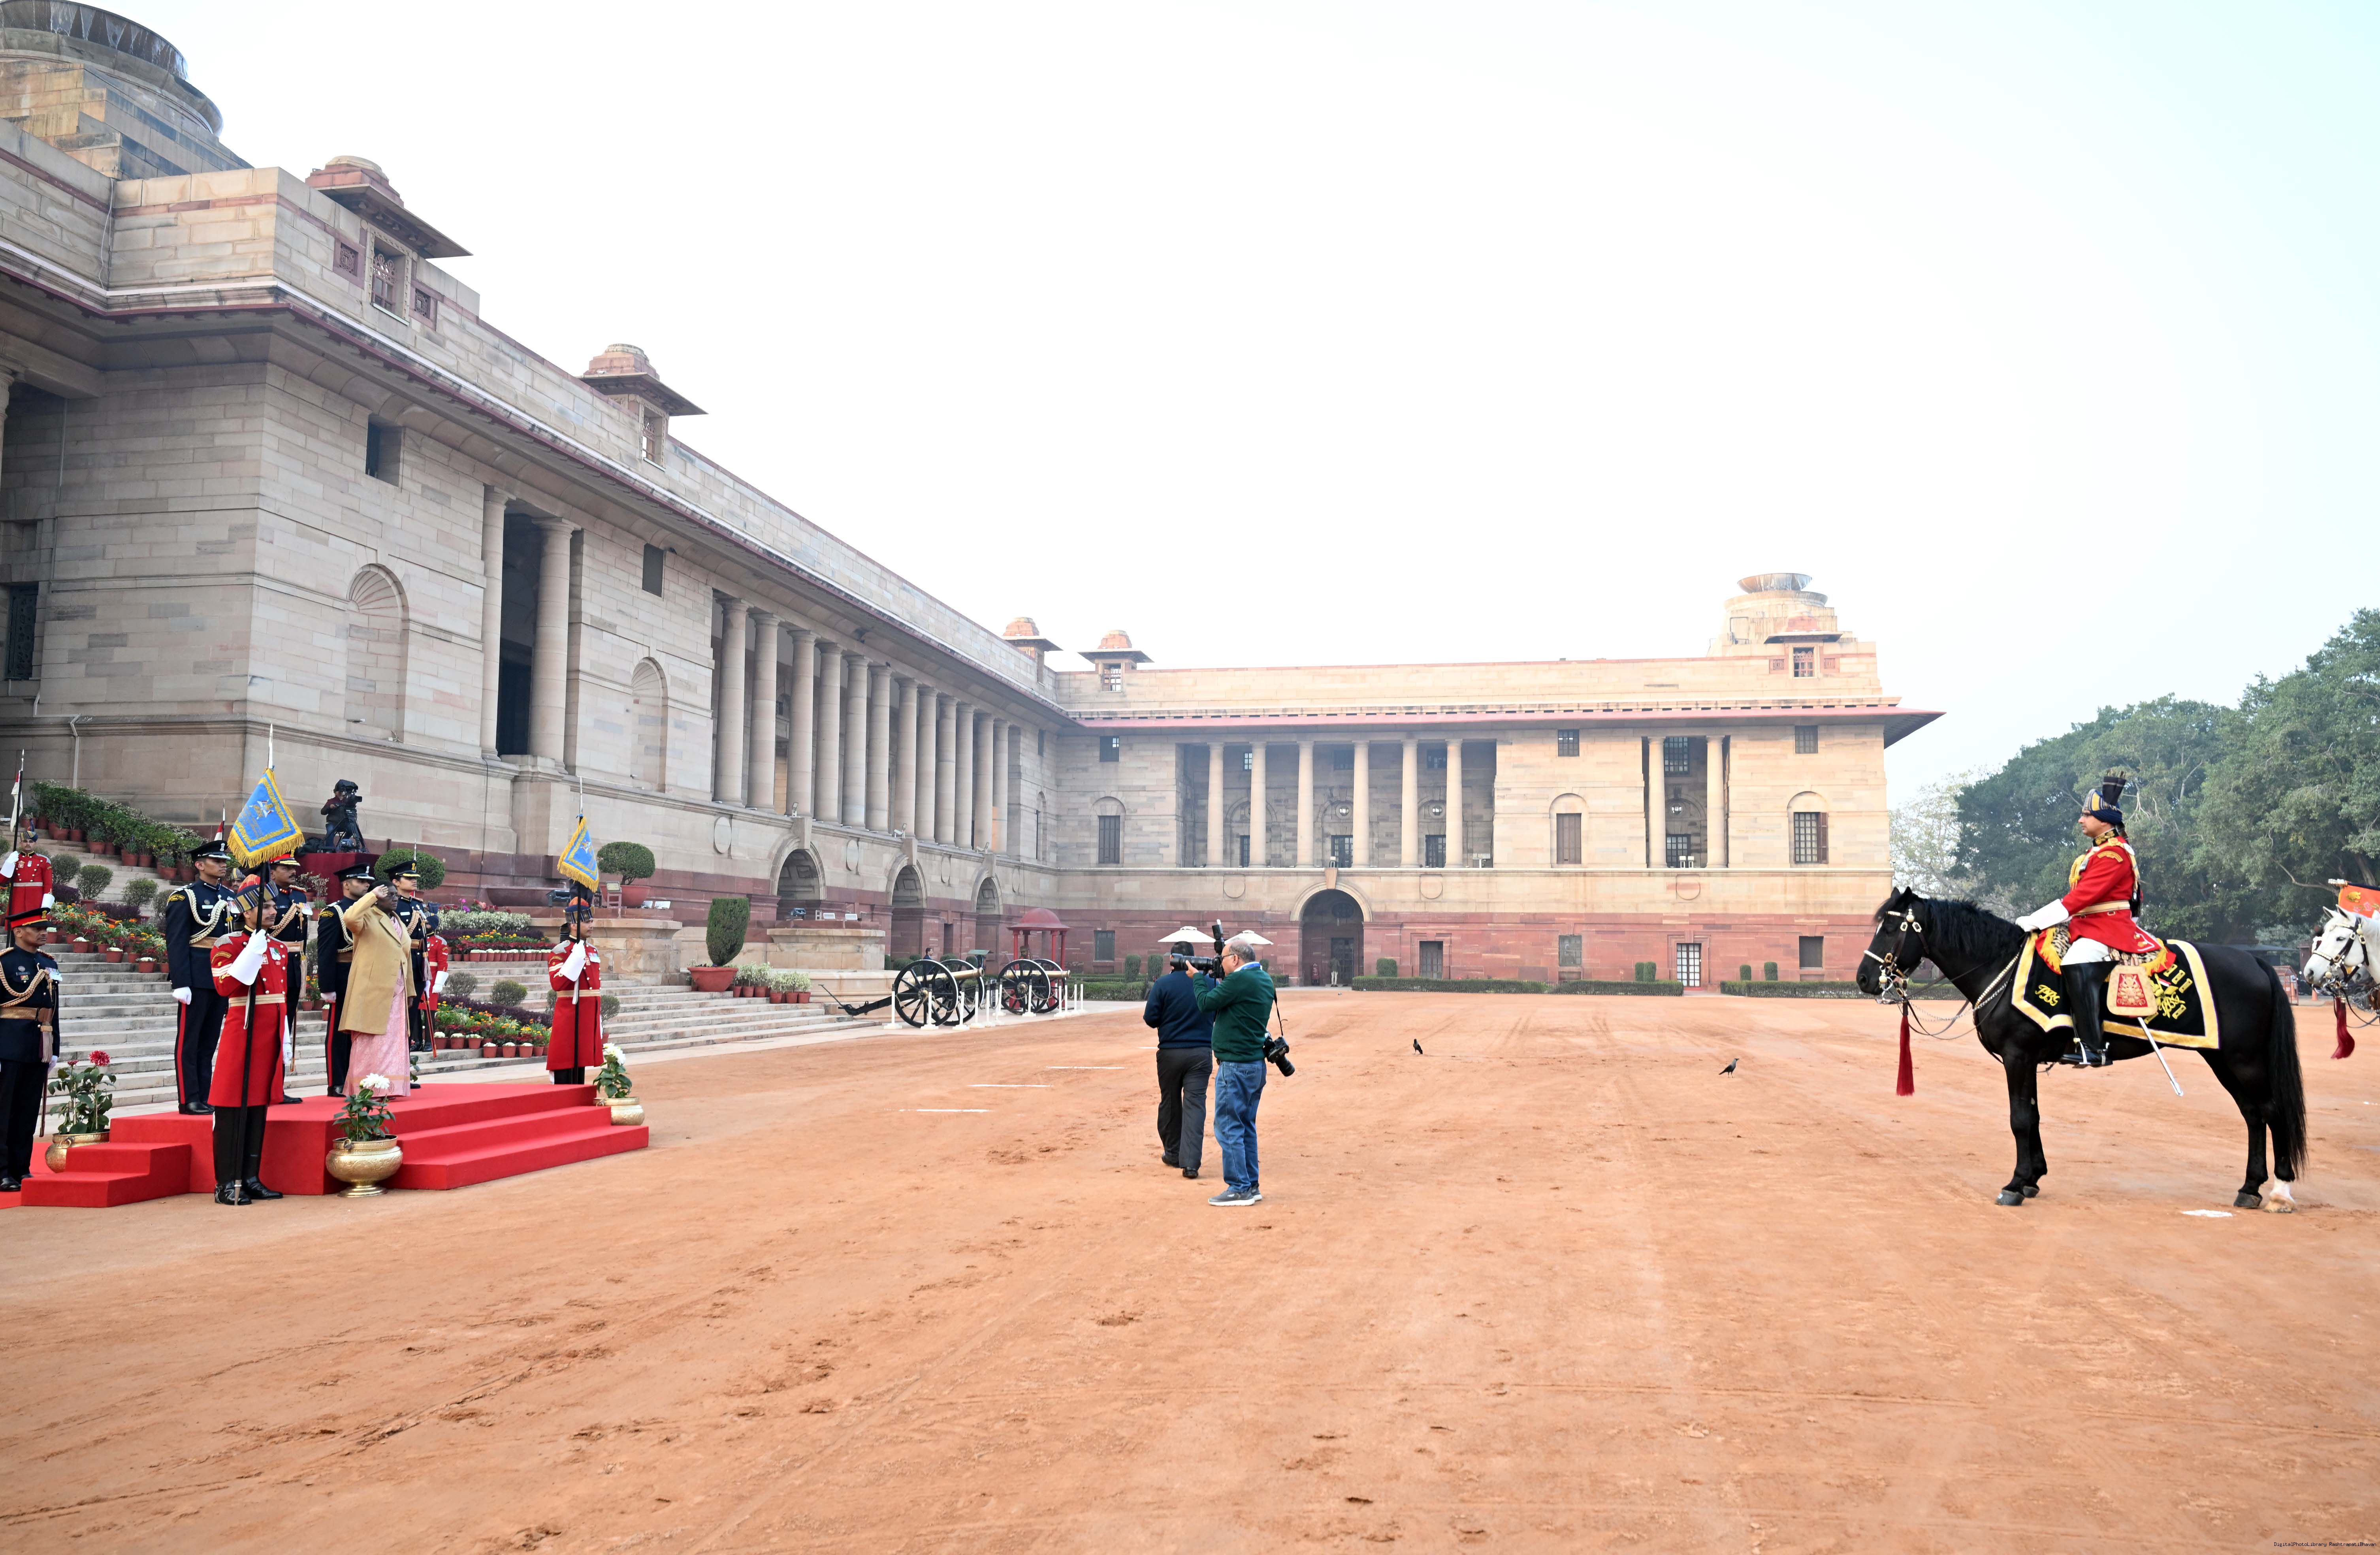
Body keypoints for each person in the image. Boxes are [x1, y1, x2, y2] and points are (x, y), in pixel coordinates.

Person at [2016, 772, 2156, 1068]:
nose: (2081, 820)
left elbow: (2079, 899)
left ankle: (2094, 1048)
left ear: (2104, 820)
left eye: (2086, 815)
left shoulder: (2114, 854)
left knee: (2074, 962)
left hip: (2107, 930)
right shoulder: (2098, 852)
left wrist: (2036, 919)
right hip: (2087, 927)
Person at [208, 875, 289, 1205]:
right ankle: (226, 1183)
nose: (273, 911)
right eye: (265, 906)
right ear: (246, 912)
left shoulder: (279, 947)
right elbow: (225, 986)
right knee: (231, 1106)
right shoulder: (228, 945)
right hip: (243, 1032)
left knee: (258, 1106)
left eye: (273, 905)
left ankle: (251, 1178)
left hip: (270, 1034)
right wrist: (251, 953)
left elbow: (282, 998)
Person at [1192, 936, 1277, 1206]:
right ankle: (1251, 1185)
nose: (1220, 963)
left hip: (1236, 1066)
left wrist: (1197, 978)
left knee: (1228, 1127)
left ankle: (1239, 1187)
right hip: (1254, 1065)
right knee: (1246, 1127)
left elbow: (1206, 1003)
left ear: (1236, 959)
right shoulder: (1263, 979)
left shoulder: (1240, 981)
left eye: (1224, 959)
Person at [163, 835, 235, 1114]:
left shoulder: (230, 898)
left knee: (209, 1043)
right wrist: (181, 982)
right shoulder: (186, 897)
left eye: (224, 861)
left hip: (221, 978)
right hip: (195, 978)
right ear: (200, 865)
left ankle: (206, 1095)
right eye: (216, 861)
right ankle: (189, 1098)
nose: (223, 865)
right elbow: (177, 942)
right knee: (189, 1042)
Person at [336, 875, 416, 1100]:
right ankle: (367, 1087)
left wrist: (410, 990)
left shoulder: (398, 921)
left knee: (393, 1040)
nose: (395, 899)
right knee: (372, 1041)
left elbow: (406, 957)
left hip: (397, 990)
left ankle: (390, 1087)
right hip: (372, 990)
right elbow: (350, 917)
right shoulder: (367, 917)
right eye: (388, 895)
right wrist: (371, 895)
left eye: (396, 895)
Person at [1142, 941, 1214, 1179]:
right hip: (1201, 1053)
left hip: (1170, 1052)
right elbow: (1216, 1013)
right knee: (1196, 1106)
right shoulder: (1210, 983)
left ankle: (1173, 1154)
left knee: (1171, 1102)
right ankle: (1191, 1164)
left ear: (1173, 958)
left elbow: (1150, 1018)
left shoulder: (1163, 984)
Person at [0, 904, 60, 1192]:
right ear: (19, 931)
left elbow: (54, 1009)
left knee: (27, 1110)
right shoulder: (5, 963)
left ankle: (20, 1168)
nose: (43, 933)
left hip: (38, 1044)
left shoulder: (49, 963)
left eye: (45, 929)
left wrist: (55, 1047)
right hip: (8, 1044)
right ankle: (2, 1172)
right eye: (37, 929)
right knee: (4, 1111)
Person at [314, 858, 376, 1096]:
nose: (366, 885)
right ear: (346, 885)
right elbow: (326, 952)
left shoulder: (372, 911)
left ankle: (359, 1077)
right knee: (339, 1031)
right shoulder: (334, 912)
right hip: (344, 976)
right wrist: (327, 986)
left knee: (364, 1030)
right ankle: (337, 1081)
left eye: (368, 882)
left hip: (367, 975)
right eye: (361, 881)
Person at [263, 855, 311, 1104]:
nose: (293, 872)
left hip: (293, 968)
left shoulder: (299, 897)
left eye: (294, 869)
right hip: (272, 965)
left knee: (287, 1026)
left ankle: (278, 1088)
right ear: (272, 872)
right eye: (286, 868)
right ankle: (266, 1086)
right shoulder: (265, 897)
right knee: (270, 1028)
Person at [547, 887, 604, 1084]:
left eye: (592, 921)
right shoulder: (561, 951)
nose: (592, 925)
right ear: (573, 925)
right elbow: (558, 983)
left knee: (581, 1066)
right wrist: (575, 959)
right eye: (587, 922)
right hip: (571, 1016)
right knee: (565, 1064)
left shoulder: (592, 950)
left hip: (588, 1015)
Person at [386, 862, 440, 1055]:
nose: (414, 881)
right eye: (409, 878)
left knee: (412, 1013)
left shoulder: (417, 904)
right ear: (396, 882)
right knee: (398, 1015)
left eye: (415, 878)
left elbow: (424, 934)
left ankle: (405, 1059)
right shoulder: (392, 905)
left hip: (418, 965)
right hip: (401, 964)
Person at [320, 779, 363, 851]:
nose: (341, 793)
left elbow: (354, 813)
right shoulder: (331, 801)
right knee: (330, 831)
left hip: (344, 824)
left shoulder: (347, 802)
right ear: (336, 793)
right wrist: (330, 807)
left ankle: (343, 843)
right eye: (339, 791)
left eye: (342, 791)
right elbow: (323, 812)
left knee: (352, 829)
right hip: (333, 823)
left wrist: (353, 816)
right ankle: (329, 849)